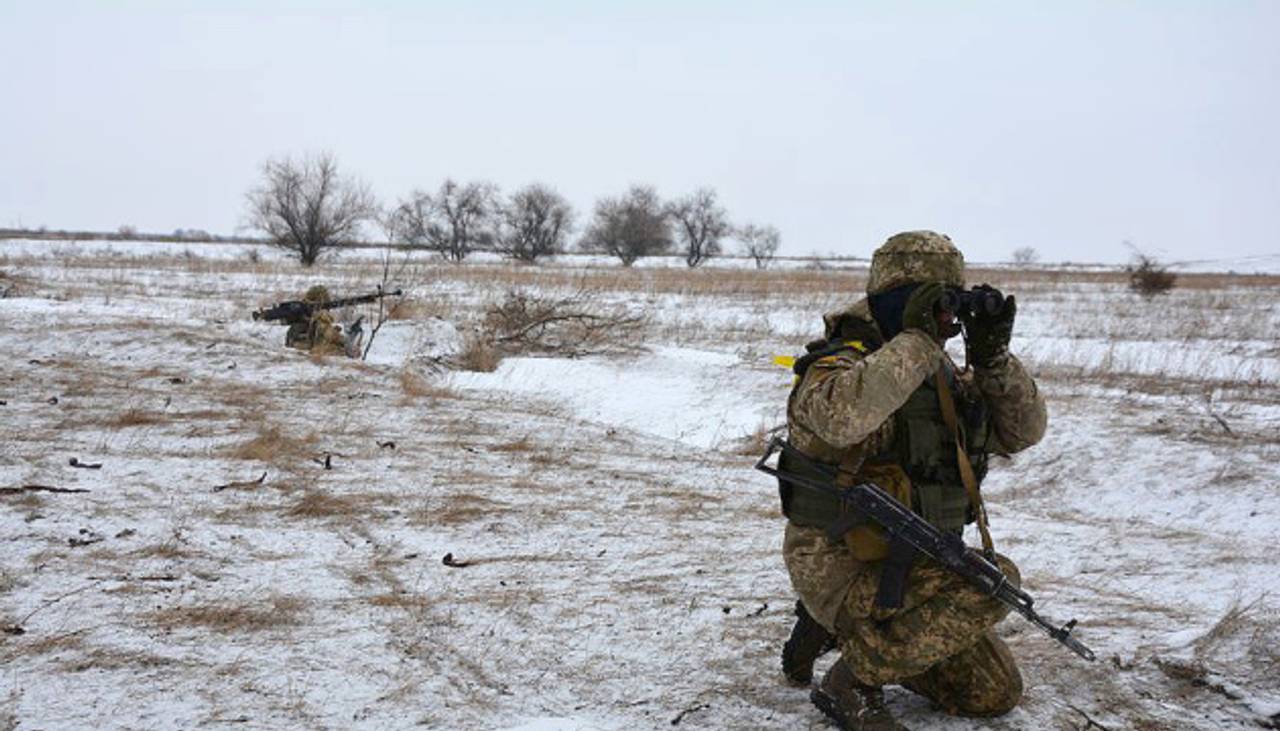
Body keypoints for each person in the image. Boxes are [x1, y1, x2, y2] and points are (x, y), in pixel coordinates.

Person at [776, 231, 1047, 730]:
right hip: (840, 563)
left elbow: (1023, 433)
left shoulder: (936, 374)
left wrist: (992, 361)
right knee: (992, 583)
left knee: (993, 693)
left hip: (914, 565)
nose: (946, 319)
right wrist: (918, 340)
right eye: (934, 303)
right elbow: (841, 418)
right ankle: (852, 679)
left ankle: (851, 637)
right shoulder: (837, 365)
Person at [284, 285, 360, 357]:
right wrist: (346, 344)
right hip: (305, 345)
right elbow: (330, 335)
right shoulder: (320, 315)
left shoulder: (303, 312)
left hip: (296, 342)